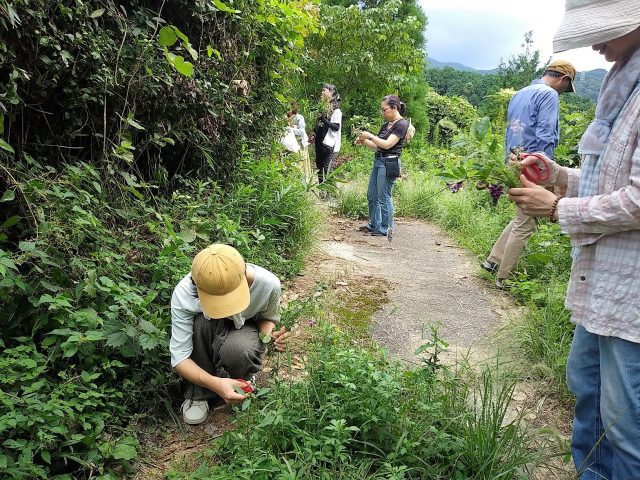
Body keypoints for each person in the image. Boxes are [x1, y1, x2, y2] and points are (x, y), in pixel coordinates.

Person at [508, 2, 640, 476]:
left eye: (602, 31)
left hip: (631, 299)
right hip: (602, 284)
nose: (594, 45)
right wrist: (560, 177)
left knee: (626, 429)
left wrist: (559, 207)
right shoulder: (623, 85)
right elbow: (611, 179)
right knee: (587, 393)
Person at [481, 60, 576, 288]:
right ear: (563, 79)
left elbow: (509, 132)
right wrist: (547, 173)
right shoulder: (549, 95)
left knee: (523, 215)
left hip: (514, 160)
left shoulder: (520, 93)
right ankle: (505, 278)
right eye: (567, 88)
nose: (564, 93)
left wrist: (510, 161)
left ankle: (493, 260)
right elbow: (545, 135)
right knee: (527, 223)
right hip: (534, 164)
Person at [170, 244, 289, 425]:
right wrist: (215, 384)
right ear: (197, 287)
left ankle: (241, 379)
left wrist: (269, 336)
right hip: (206, 331)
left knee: (241, 349)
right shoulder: (184, 294)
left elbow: (267, 318)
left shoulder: (268, 284)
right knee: (201, 322)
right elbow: (180, 358)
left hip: (243, 329)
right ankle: (199, 391)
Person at [355, 95, 410, 238]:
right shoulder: (386, 125)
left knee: (384, 196)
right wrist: (364, 141)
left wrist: (370, 135)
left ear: (394, 108)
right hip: (379, 161)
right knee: (372, 194)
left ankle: (386, 228)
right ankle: (374, 224)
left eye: (384, 109)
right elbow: (377, 145)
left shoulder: (402, 124)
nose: (382, 113)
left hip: (389, 163)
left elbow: (387, 144)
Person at [312, 84, 342, 185]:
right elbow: (319, 124)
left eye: (324, 90)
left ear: (331, 92)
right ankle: (322, 190)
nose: (322, 93)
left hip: (329, 143)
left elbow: (336, 127)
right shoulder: (323, 107)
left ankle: (331, 192)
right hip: (319, 141)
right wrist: (314, 133)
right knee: (319, 166)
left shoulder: (336, 109)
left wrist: (324, 120)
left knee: (327, 168)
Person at [287, 104, 312, 183]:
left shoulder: (299, 117)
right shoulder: (286, 118)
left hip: (299, 144)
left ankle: (304, 182)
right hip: (290, 144)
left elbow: (301, 131)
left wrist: (290, 129)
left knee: (301, 163)